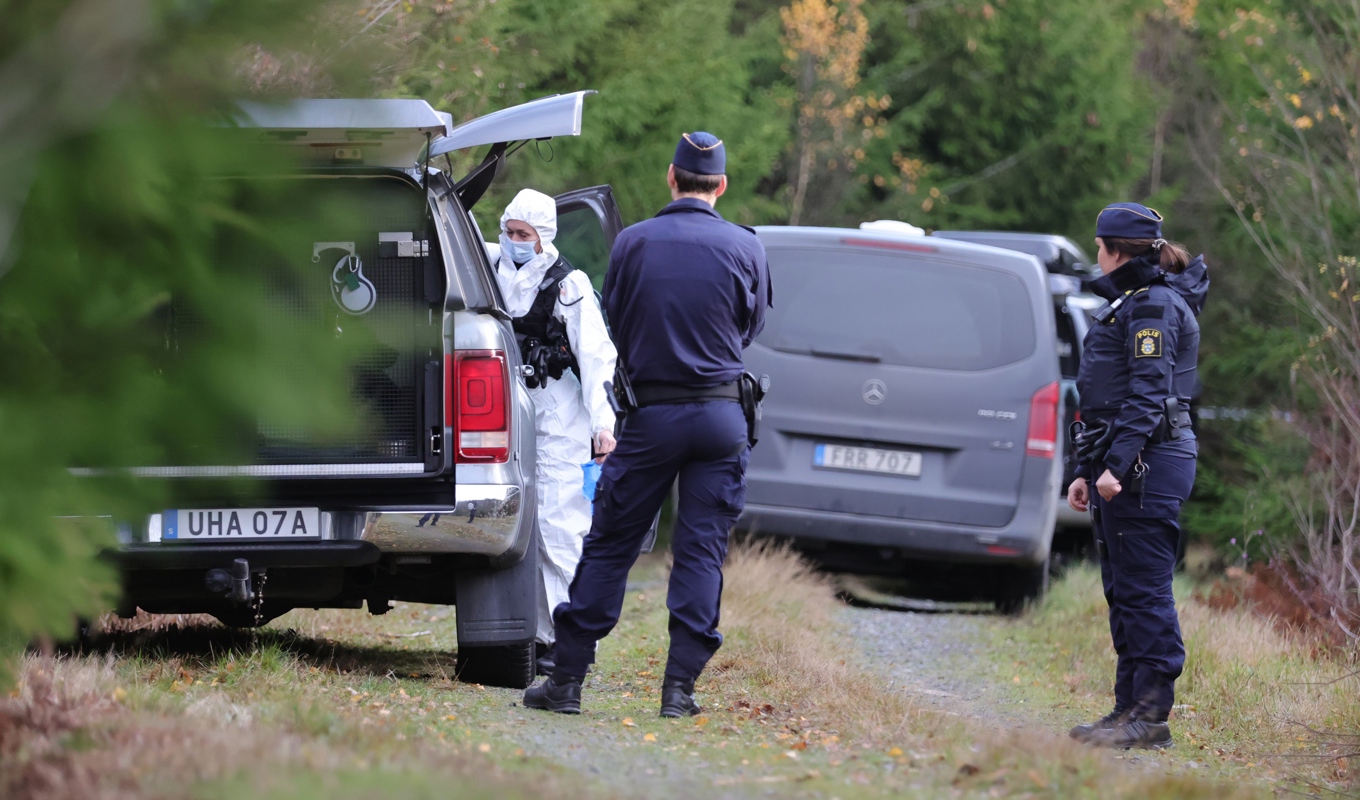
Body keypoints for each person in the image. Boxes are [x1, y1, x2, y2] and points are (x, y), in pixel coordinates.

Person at [523, 132, 772, 717]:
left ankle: (566, 681)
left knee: (610, 544)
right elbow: (750, 328)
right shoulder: (747, 246)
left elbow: (617, 319)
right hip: (721, 417)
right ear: (721, 185)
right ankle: (679, 691)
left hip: (652, 416)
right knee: (701, 552)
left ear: (671, 177)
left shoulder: (633, 242)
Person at [1065, 202, 1209, 750]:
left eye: (1099, 244)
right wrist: (1087, 470)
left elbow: (1149, 395)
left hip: (1148, 464)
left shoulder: (1153, 306)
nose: (1096, 253)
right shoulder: (1133, 300)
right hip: (1125, 464)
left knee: (1145, 591)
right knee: (1124, 590)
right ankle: (1127, 710)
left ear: (1114, 250)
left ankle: (1150, 716)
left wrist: (1117, 467)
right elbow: (1106, 397)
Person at [486, 189, 618, 676]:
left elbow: (596, 357)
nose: (514, 241)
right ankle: (540, 636)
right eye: (510, 231)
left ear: (543, 237)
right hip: (507, 414)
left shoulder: (568, 285)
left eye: (524, 234)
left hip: (560, 419)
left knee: (559, 528)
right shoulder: (489, 266)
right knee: (519, 528)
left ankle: (571, 641)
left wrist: (604, 426)